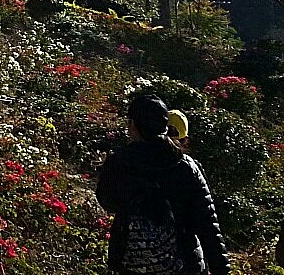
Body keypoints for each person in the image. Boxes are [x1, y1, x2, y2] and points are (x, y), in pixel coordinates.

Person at [97, 94, 229, 275]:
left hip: (133, 264)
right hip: (184, 263)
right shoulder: (185, 166)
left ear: (133, 126)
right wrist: (221, 268)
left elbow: (107, 200)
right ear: (165, 126)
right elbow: (207, 222)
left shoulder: (119, 163)